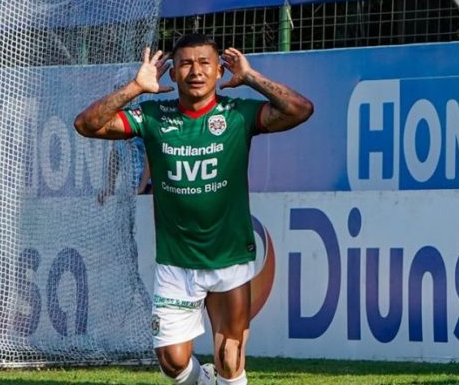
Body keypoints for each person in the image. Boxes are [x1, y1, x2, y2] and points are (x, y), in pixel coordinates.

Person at [74, 33, 313, 385]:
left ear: (219, 70)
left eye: (205, 63)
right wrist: (135, 88)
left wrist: (250, 77)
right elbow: (86, 124)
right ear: (172, 73)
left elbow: (301, 109)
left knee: (230, 360)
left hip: (228, 258)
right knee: (173, 363)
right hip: (176, 263)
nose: (195, 71)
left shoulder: (237, 114)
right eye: (186, 63)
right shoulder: (153, 116)